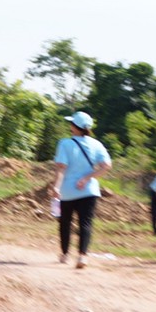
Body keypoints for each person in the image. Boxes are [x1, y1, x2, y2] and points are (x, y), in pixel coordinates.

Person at [51, 110, 112, 269]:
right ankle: (82, 256)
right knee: (86, 223)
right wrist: (87, 178)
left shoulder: (65, 143)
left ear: (74, 126)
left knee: (65, 223)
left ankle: (64, 255)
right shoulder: (97, 144)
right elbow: (107, 166)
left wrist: (56, 187)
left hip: (68, 191)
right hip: (89, 190)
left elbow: (61, 169)